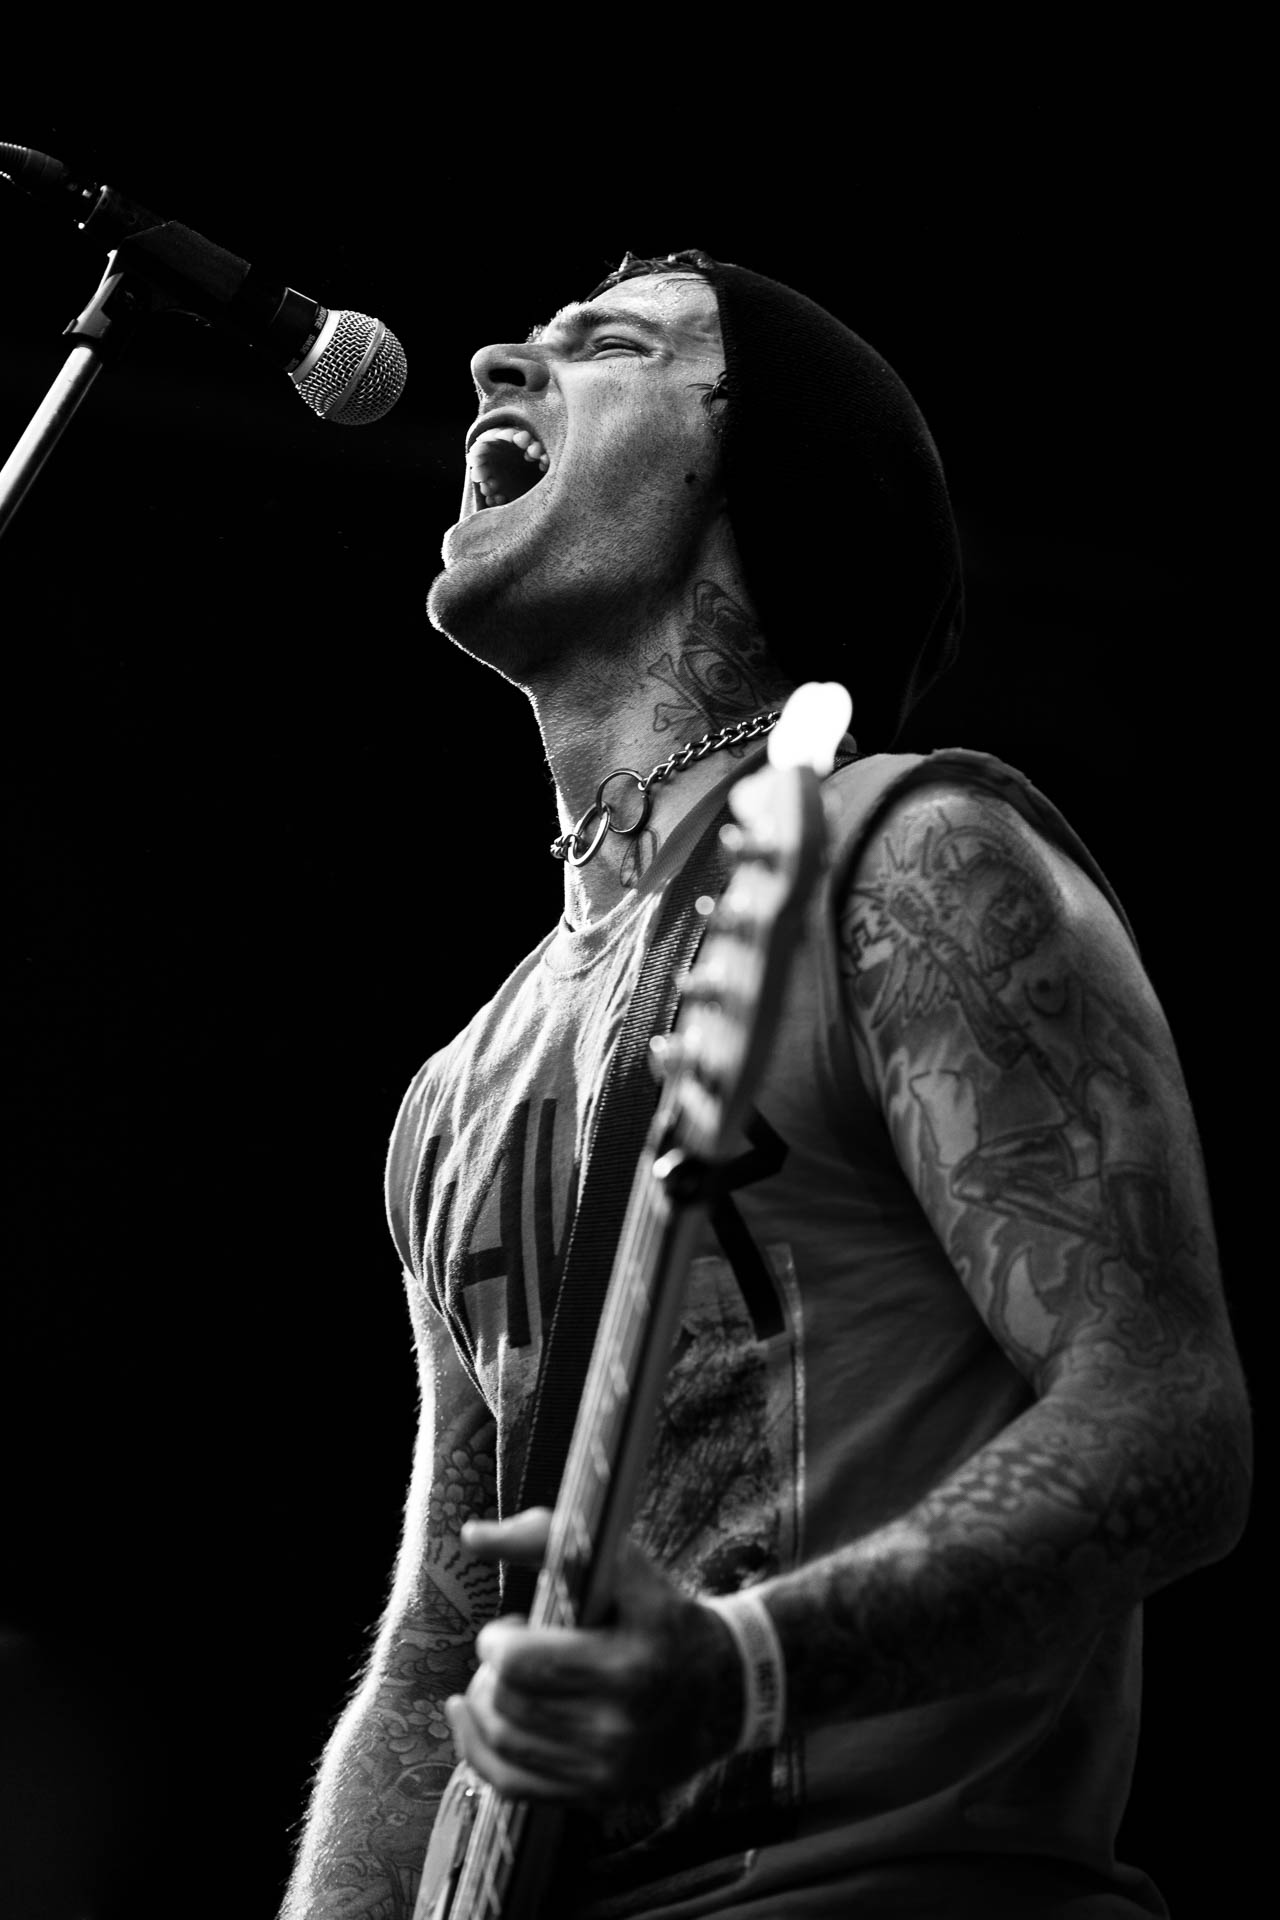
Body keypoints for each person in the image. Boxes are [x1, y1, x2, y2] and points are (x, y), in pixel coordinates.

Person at [279, 251, 1251, 1919]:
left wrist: (744, 1667)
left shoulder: (912, 858)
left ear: (759, 471)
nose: (498, 357)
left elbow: (1166, 1419)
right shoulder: (456, 1090)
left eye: (610, 344)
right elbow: (442, 1652)